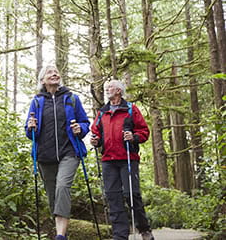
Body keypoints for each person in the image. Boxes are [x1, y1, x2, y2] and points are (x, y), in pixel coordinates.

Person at [25, 65, 90, 240]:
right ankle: (64, 234)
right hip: (45, 155)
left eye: (56, 72)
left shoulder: (71, 98)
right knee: (53, 195)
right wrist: (31, 127)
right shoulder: (37, 101)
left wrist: (80, 128)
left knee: (62, 186)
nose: (54, 74)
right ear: (42, 80)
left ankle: (60, 236)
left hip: (69, 152)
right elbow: (29, 130)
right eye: (49, 72)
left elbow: (85, 123)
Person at [90, 80, 154, 240]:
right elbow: (95, 131)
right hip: (108, 160)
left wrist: (134, 137)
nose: (106, 90)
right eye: (105, 88)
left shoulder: (131, 109)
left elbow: (144, 131)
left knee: (131, 195)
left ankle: (144, 229)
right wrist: (95, 140)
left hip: (128, 158)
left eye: (110, 87)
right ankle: (120, 235)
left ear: (119, 90)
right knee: (113, 197)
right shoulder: (102, 112)